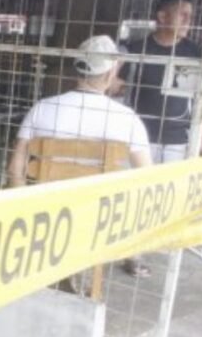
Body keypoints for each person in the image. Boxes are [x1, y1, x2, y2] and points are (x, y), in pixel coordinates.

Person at [8, 35, 152, 277]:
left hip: (47, 212)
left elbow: (15, 168)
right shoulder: (127, 118)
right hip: (100, 219)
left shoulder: (43, 107)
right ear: (111, 73)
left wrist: (24, 212)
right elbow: (147, 176)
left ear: (77, 69)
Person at [119, 0, 202, 162]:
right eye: (182, 14)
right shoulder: (136, 49)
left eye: (190, 16)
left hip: (180, 141)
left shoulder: (195, 53)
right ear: (162, 17)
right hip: (140, 137)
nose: (188, 21)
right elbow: (116, 87)